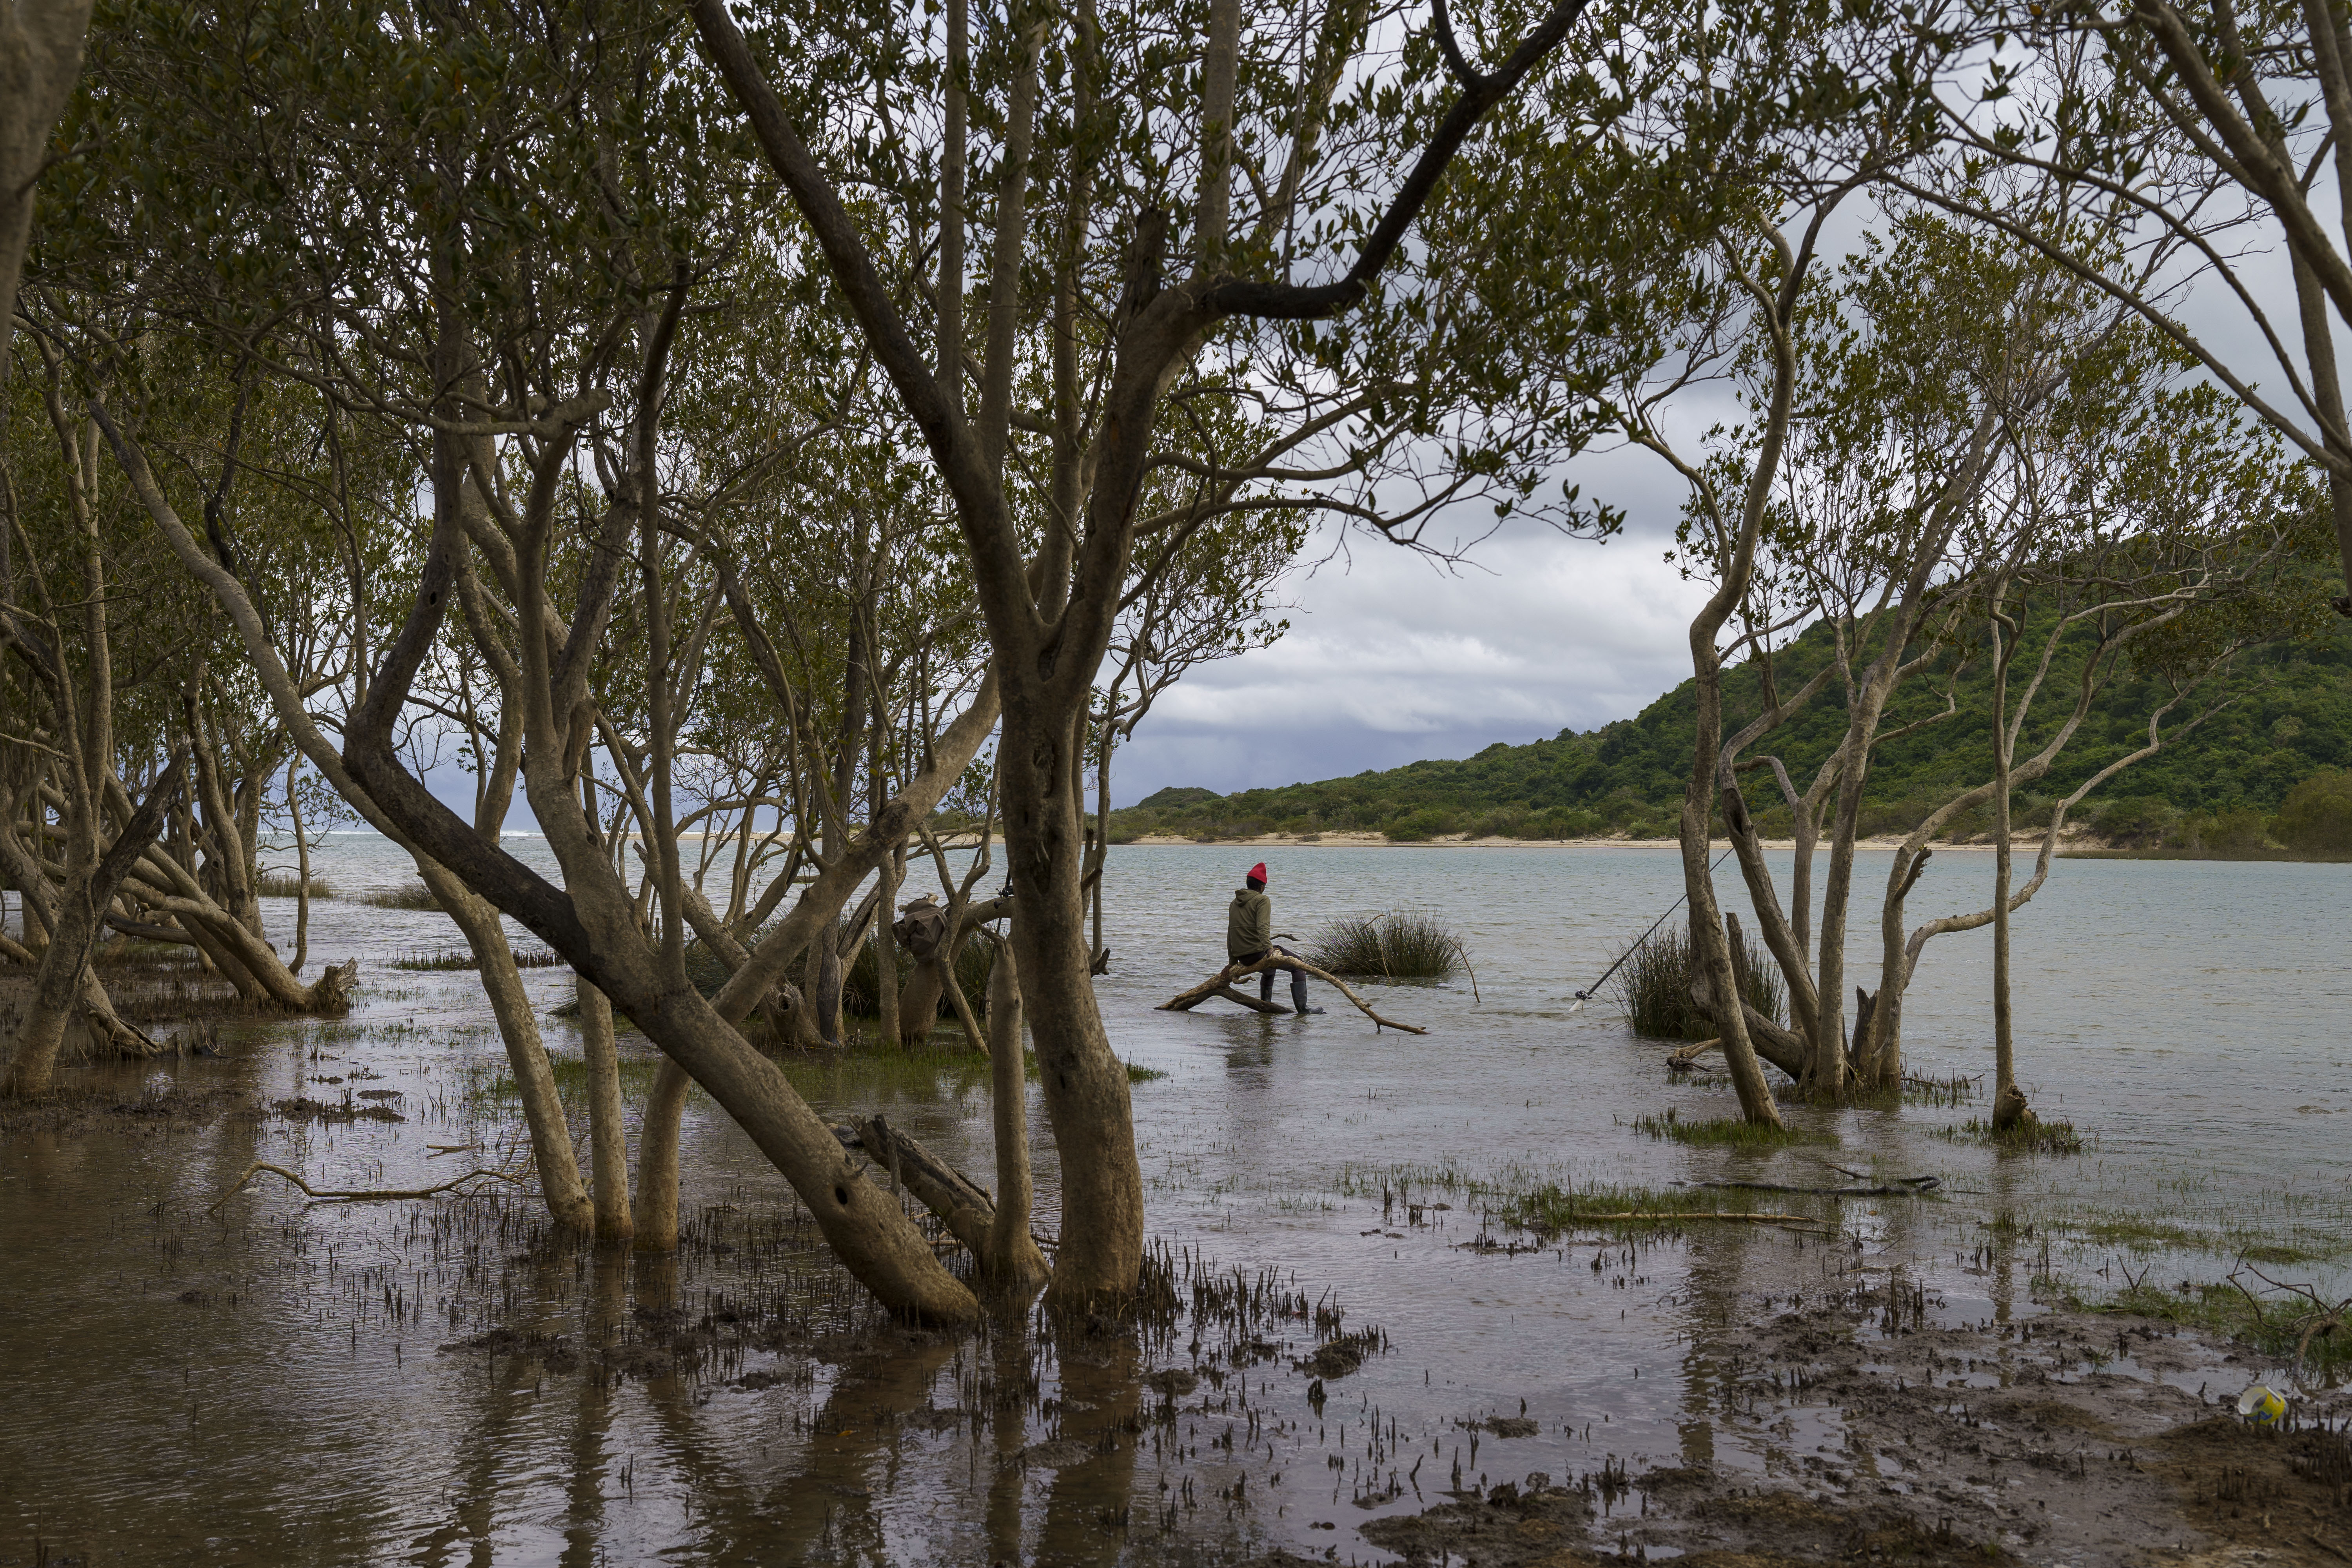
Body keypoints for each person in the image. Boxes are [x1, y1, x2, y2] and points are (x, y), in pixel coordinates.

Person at [1225, 862, 1322, 1015]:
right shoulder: (1262, 900)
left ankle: (1266, 1007)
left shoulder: (1233, 903)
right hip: (1256, 953)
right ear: (1262, 887)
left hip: (1243, 957)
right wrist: (1269, 949)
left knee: (1270, 972)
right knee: (1298, 965)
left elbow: (1230, 933)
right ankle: (1303, 1010)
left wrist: (1232, 962)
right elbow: (1263, 927)